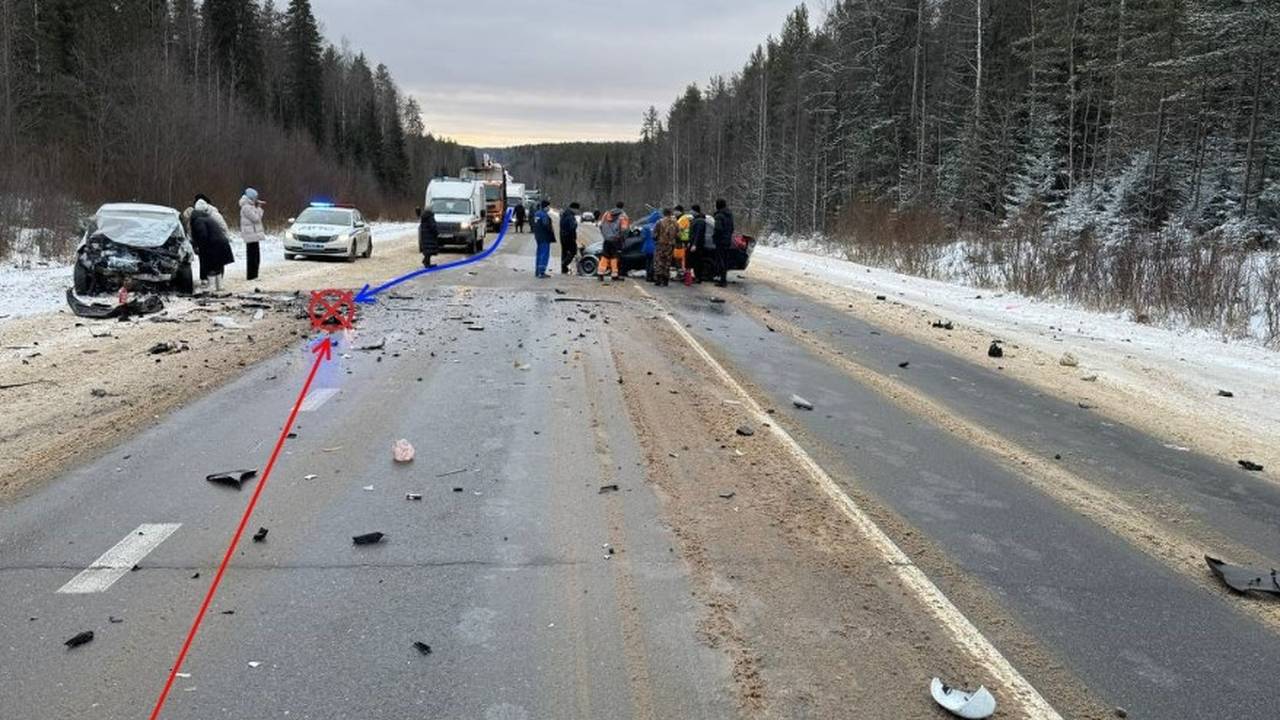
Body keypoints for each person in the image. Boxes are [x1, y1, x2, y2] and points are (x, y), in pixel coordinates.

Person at [183, 193, 229, 287]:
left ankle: (212, 284)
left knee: (213, 262)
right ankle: (216, 284)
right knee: (210, 262)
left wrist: (200, 245)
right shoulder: (204, 217)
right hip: (215, 241)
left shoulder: (205, 217)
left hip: (214, 242)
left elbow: (203, 233)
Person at [190, 198, 234, 292]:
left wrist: (201, 247)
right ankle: (219, 286)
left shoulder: (198, 220)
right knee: (217, 265)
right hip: (221, 243)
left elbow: (203, 235)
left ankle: (212, 287)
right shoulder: (208, 218)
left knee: (210, 265)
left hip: (213, 245)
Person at [597, 201, 629, 282]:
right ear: (622, 207)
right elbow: (624, 229)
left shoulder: (607, 213)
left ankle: (600, 274)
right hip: (616, 240)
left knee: (605, 256)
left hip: (607, 239)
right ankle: (614, 275)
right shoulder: (623, 216)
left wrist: (605, 235)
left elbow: (600, 225)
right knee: (614, 257)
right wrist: (622, 238)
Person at [238, 188, 265, 281]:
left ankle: (255, 275)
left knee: (256, 256)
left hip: (254, 235)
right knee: (252, 257)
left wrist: (257, 208)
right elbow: (256, 218)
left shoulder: (250, 206)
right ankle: (251, 276)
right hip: (250, 235)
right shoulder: (246, 207)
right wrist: (259, 208)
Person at [712, 198, 735, 287]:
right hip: (727, 240)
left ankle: (722, 281)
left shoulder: (719, 216)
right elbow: (732, 228)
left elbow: (718, 229)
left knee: (720, 260)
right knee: (725, 260)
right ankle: (723, 279)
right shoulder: (729, 215)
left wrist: (715, 237)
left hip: (720, 241)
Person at [654, 208, 678, 287]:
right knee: (668, 261)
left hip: (661, 244)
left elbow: (654, 234)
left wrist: (656, 238)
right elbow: (678, 233)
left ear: (663, 213)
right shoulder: (675, 223)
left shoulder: (659, 222)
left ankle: (658, 279)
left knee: (659, 261)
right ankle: (665, 279)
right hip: (671, 245)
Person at [532, 200, 556, 277]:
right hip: (545, 237)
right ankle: (541, 272)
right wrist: (550, 232)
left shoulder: (536, 214)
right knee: (544, 254)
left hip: (538, 236)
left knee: (539, 254)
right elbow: (546, 225)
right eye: (548, 206)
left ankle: (537, 270)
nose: (549, 208)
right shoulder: (544, 215)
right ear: (545, 207)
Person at [689, 204, 709, 283]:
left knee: (697, 261)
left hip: (698, 245)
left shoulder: (700, 221)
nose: (691, 212)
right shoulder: (697, 219)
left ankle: (698, 277)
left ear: (695, 211)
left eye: (692, 210)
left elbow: (698, 234)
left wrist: (694, 244)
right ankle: (697, 276)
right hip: (695, 243)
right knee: (695, 261)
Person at [559, 201, 580, 274]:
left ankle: (564, 269)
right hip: (569, 237)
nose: (578, 211)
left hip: (563, 236)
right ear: (574, 209)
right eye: (577, 209)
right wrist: (575, 224)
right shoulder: (570, 216)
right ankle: (564, 264)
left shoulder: (565, 214)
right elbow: (572, 226)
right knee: (573, 251)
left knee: (564, 252)